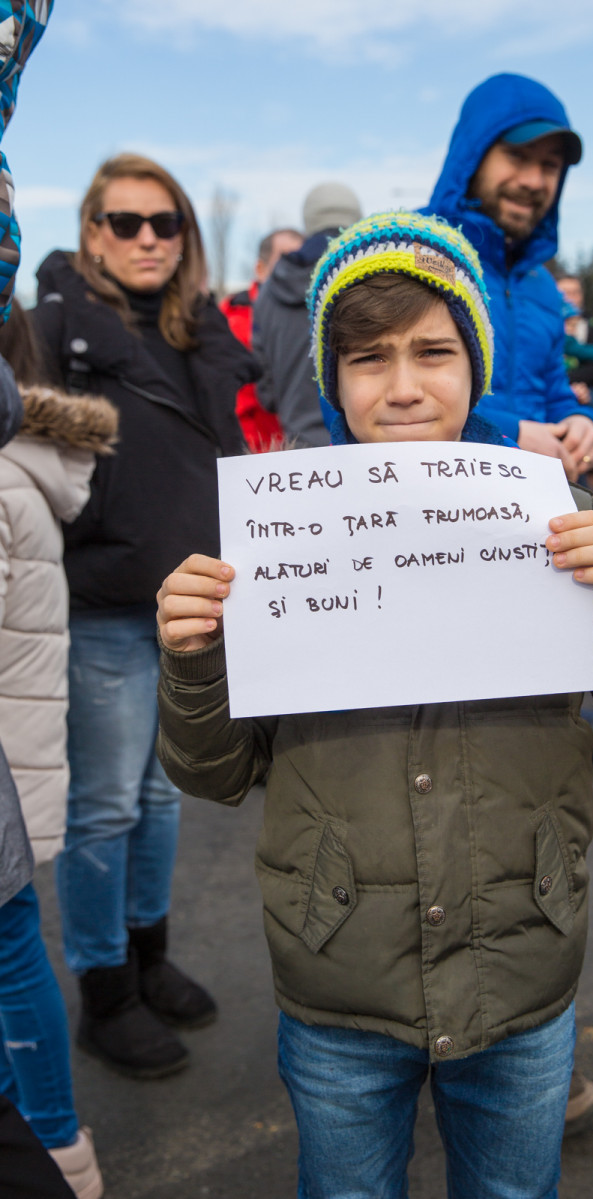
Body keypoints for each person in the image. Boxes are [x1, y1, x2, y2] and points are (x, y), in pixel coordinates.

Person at [155, 211, 593, 1198]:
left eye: (433, 349)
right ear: (329, 381)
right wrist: (194, 659)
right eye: (368, 358)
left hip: (521, 973)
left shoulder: (561, 520)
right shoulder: (274, 541)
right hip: (338, 980)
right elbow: (209, 773)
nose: (404, 385)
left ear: (477, 364)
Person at [31, 152, 256, 1081]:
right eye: (127, 222)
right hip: (108, 608)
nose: (149, 239)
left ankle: (149, 959)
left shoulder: (196, 327)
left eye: (166, 224)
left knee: (164, 796)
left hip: (195, 608)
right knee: (105, 806)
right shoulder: (51, 330)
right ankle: (105, 993)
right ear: (92, 231)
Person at [0, 300, 114, 1198]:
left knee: (9, 946)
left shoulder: (8, 476)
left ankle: (47, 1141)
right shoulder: (32, 464)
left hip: (11, 748)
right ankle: (54, 1141)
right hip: (19, 749)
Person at [421, 73, 593, 481]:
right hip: (428, 509)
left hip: (529, 517)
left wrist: (583, 423)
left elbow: (553, 388)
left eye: (550, 165)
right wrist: (512, 434)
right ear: (474, 153)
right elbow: (359, 396)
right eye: (518, 157)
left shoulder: (540, 283)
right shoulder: (410, 250)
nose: (534, 181)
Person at [252, 182, 361, 448]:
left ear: (308, 221)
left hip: (301, 463)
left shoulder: (268, 292)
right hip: (370, 455)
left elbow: (265, 392)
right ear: (356, 216)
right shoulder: (374, 272)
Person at [220, 227, 302, 451]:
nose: (296, 268)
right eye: (286, 259)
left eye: (300, 259)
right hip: (251, 454)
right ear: (260, 269)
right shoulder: (230, 319)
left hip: (301, 449)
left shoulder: (313, 315)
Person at [556, 275, 593, 403]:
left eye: (575, 293)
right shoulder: (547, 327)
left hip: (588, 394)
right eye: (564, 293)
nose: (570, 298)